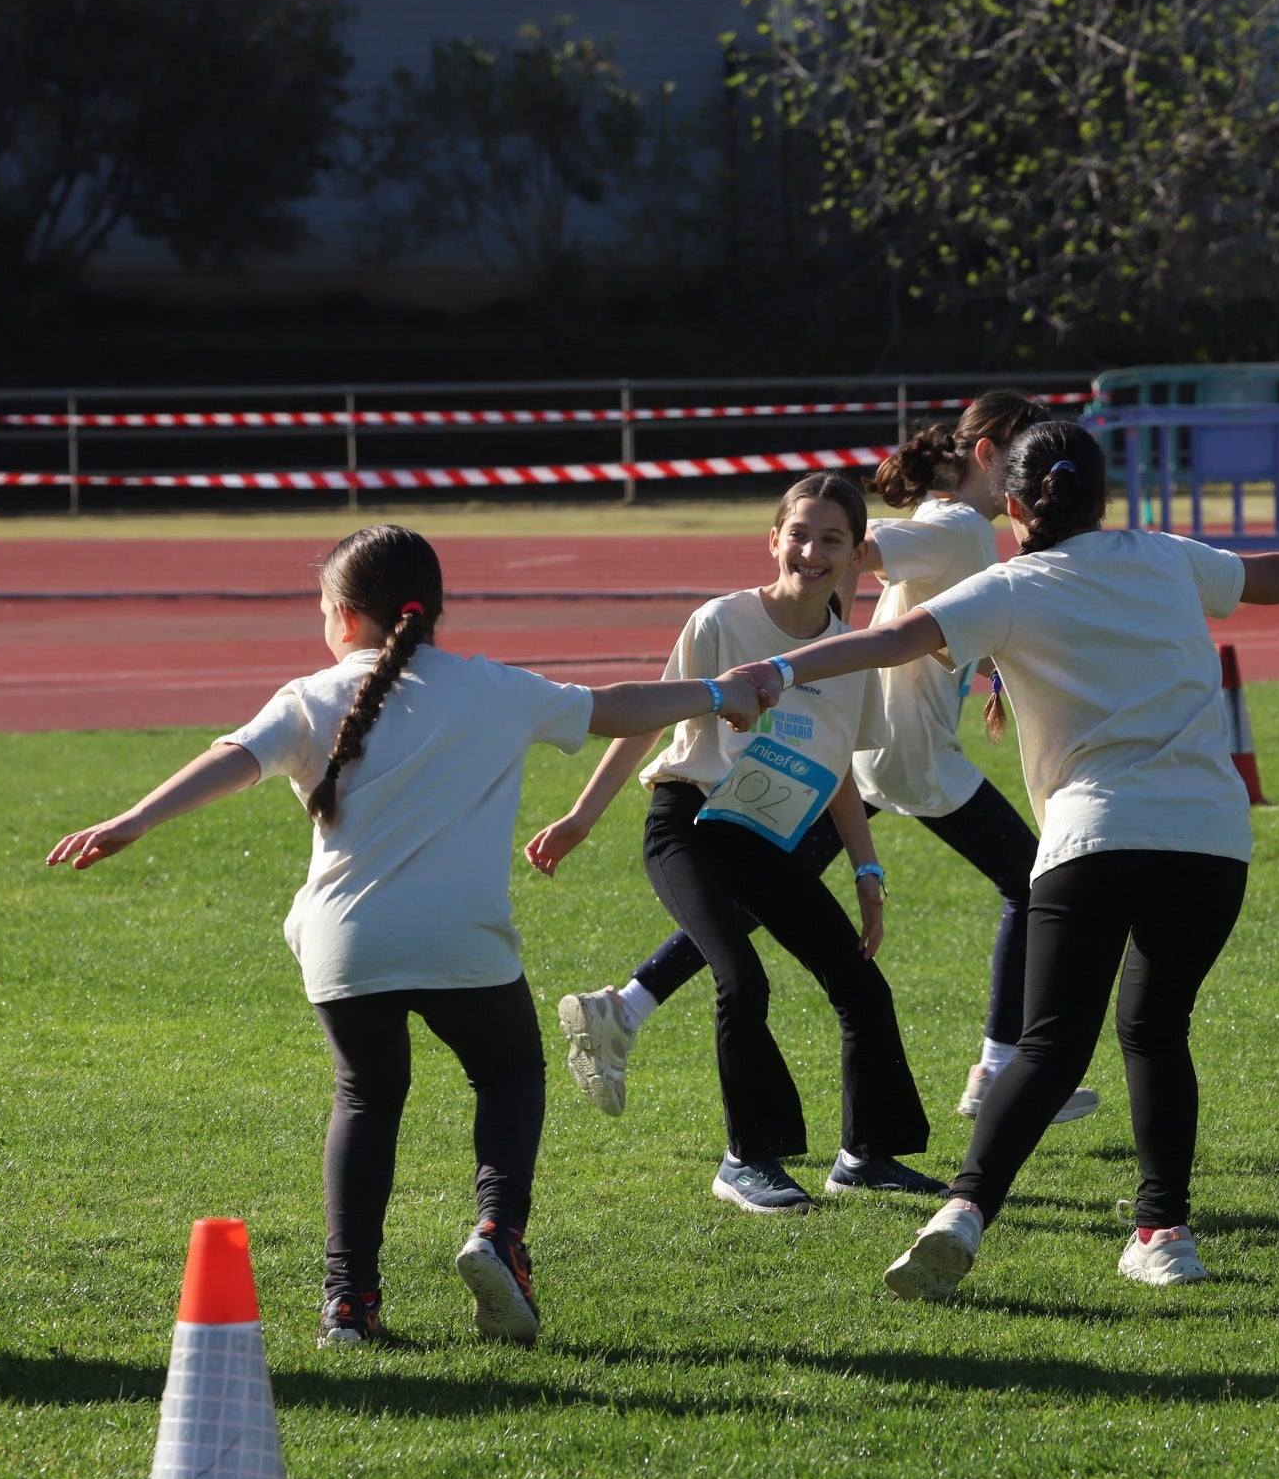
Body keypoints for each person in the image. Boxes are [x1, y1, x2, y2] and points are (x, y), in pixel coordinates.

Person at [719, 421, 1279, 1299]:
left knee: (1049, 1046)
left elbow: (891, 642)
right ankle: (1163, 1234)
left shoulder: (1011, 585)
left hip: (1091, 841)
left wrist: (775, 673)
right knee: (1157, 1031)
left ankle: (961, 1215)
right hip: (1210, 844)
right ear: (1104, 499)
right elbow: (1271, 575)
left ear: (1013, 507)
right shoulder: (1167, 557)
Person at [44, 525, 762, 1347]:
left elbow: (232, 758)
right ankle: (498, 1235)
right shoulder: (494, 687)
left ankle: (348, 1304)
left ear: (344, 617)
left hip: (346, 944)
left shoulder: (308, 696)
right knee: (509, 1072)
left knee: (368, 1097)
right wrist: (719, 693)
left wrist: (135, 819)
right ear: (432, 610)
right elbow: (619, 707)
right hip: (463, 940)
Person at [546, 392, 1097, 1131]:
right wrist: (824, 644)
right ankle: (998, 1064)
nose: (1034, 482)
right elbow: (858, 550)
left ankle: (627, 1004)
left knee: (771, 892)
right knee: (1030, 881)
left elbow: (891, 577)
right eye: (1025, 461)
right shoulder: (961, 527)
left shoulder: (957, 529)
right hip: (906, 750)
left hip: (858, 743)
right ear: (991, 456)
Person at [528, 473, 937, 1216]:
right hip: (688, 826)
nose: (812, 551)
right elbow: (650, 717)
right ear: (773, 539)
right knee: (742, 980)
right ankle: (747, 1160)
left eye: (832, 540)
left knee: (861, 987)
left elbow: (841, 766)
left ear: (854, 557)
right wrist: (582, 818)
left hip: (765, 840)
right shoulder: (721, 620)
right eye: (800, 534)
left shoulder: (849, 654)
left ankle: (866, 1156)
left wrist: (867, 869)